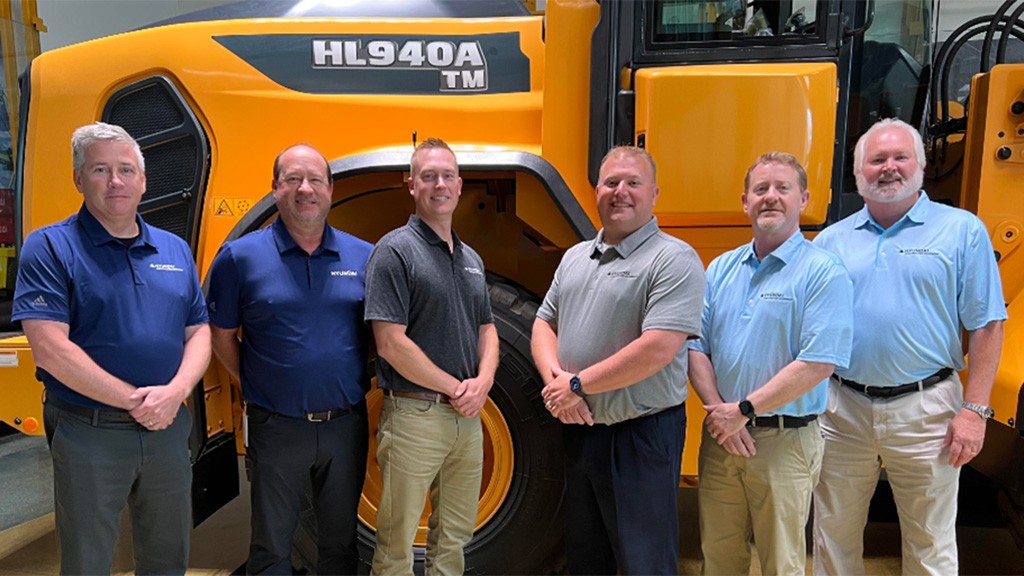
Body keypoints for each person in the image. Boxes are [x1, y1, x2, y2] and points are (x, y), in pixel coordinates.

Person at [12, 122, 211, 574]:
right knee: (88, 560)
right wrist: (135, 401)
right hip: (90, 432)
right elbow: (50, 349)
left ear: (143, 181)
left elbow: (198, 330)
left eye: (126, 170)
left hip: (166, 427)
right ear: (78, 179)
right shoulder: (50, 247)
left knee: (167, 556)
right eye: (100, 169)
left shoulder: (174, 249)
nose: (115, 181)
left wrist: (175, 393)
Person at [813, 118, 1006, 575]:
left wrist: (975, 411)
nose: (889, 168)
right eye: (876, 160)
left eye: (900, 157)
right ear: (858, 173)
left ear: (920, 165)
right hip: (842, 408)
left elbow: (987, 325)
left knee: (930, 541)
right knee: (831, 535)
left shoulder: (961, 231)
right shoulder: (829, 242)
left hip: (928, 410)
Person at [531, 146, 705, 575]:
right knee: (587, 557)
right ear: (596, 191)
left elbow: (658, 348)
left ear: (654, 193)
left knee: (643, 561)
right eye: (611, 182)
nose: (620, 192)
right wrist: (557, 382)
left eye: (633, 182)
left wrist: (575, 386)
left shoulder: (674, 259)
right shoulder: (575, 257)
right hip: (579, 433)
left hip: (640, 436)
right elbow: (543, 323)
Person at [206, 144, 373, 575]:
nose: (305, 189)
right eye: (293, 179)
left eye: (316, 180)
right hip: (276, 426)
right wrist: (252, 380)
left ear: (331, 190)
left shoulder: (364, 257)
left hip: (345, 426)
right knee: (271, 549)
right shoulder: (239, 258)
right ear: (275, 188)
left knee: (340, 546)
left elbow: (379, 335)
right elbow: (221, 334)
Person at [687, 152, 853, 575]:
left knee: (782, 562)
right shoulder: (722, 268)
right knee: (719, 556)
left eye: (782, 188)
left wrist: (744, 410)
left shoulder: (823, 271)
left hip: (784, 443)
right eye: (760, 189)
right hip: (722, 437)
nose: (770, 198)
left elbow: (818, 362)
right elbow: (694, 345)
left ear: (804, 199)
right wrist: (721, 413)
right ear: (745, 201)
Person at [364, 137, 498, 575]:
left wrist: (483, 384)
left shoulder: (471, 258)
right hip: (415, 417)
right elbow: (390, 342)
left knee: (456, 538)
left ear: (460, 186)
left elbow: (487, 327)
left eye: (447, 176)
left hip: (467, 419)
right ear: (411, 186)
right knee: (397, 542)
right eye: (428, 176)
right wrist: (456, 387)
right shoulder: (395, 251)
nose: (439, 184)